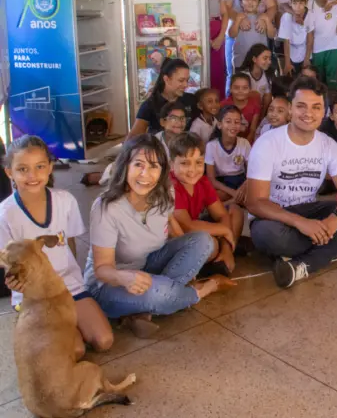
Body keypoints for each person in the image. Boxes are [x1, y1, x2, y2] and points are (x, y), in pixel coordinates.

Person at [85, 135, 233, 337]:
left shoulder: (164, 193)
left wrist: (190, 258)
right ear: (125, 166)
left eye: (154, 166)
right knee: (159, 291)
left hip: (146, 264)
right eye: (138, 164)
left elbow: (172, 224)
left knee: (202, 240)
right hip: (108, 284)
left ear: (163, 170)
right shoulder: (107, 207)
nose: (145, 174)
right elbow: (102, 270)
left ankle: (145, 309)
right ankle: (205, 289)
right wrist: (123, 277)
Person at [245, 77, 337, 288]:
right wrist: (301, 223)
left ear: (324, 111)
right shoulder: (267, 143)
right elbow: (255, 202)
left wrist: (336, 218)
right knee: (266, 236)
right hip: (274, 217)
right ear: (290, 108)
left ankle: (305, 263)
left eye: (316, 107)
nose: (308, 114)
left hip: (309, 209)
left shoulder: (328, 145)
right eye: (301, 106)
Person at [0, 136, 113, 354]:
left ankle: (71, 324)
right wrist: (16, 283)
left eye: (40, 167)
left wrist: (72, 277)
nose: (32, 176)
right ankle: (62, 329)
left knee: (104, 340)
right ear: (9, 173)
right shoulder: (6, 214)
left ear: (50, 167)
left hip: (68, 285)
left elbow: (69, 244)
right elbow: (6, 259)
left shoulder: (65, 200)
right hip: (34, 294)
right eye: (23, 169)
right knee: (76, 351)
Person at [170, 133, 245, 276]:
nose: (192, 170)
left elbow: (221, 214)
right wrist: (225, 232)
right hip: (178, 237)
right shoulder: (171, 186)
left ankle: (226, 253)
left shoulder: (202, 182)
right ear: (172, 165)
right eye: (185, 163)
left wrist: (226, 246)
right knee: (210, 244)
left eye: (198, 162)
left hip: (197, 227)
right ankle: (209, 263)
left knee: (235, 211)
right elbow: (188, 226)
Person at [223, 0, 277, 89]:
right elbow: (225, 7)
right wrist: (239, 19)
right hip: (237, 35)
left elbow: (272, 8)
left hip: (258, 34)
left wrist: (265, 20)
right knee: (235, 73)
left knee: (259, 74)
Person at [129, 59, 198, 136]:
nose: (186, 85)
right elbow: (132, 139)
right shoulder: (150, 105)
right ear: (167, 79)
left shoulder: (191, 100)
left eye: (187, 80)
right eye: (181, 80)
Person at [205, 105, 251, 203]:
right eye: (228, 121)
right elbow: (211, 179)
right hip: (222, 183)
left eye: (237, 122)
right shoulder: (211, 146)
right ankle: (233, 202)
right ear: (219, 124)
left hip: (241, 181)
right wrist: (233, 192)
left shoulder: (244, 143)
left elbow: (251, 173)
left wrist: (242, 189)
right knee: (214, 197)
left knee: (250, 195)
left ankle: (229, 203)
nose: (233, 126)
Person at [307, 0, 337, 88]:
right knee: (318, 80)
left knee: (333, 80)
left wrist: (332, 3)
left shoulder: (336, 2)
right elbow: (285, 5)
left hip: (334, 47)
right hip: (316, 48)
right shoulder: (308, 3)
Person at [278, 0, 312, 76]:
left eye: (301, 3)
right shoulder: (286, 17)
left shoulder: (310, 15)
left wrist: (307, 59)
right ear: (290, 3)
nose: (298, 6)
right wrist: (287, 62)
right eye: (295, 3)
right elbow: (286, 41)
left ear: (306, 3)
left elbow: (310, 39)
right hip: (291, 54)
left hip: (306, 52)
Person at [207, 0, 228, 99]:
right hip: (196, 31)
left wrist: (221, 36)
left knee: (217, 72)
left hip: (216, 30)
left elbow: (225, 14)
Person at [222, 73, 262, 141]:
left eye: (245, 88)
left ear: (250, 89)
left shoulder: (255, 105)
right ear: (230, 89)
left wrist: (245, 145)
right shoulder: (223, 105)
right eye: (236, 88)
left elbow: (252, 130)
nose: (240, 91)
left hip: (247, 141)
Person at [236, 43, 274, 114]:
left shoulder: (268, 75)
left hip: (260, 111)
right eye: (265, 58)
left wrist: (262, 116)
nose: (269, 62)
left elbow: (267, 98)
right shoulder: (243, 75)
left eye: (270, 58)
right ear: (254, 59)